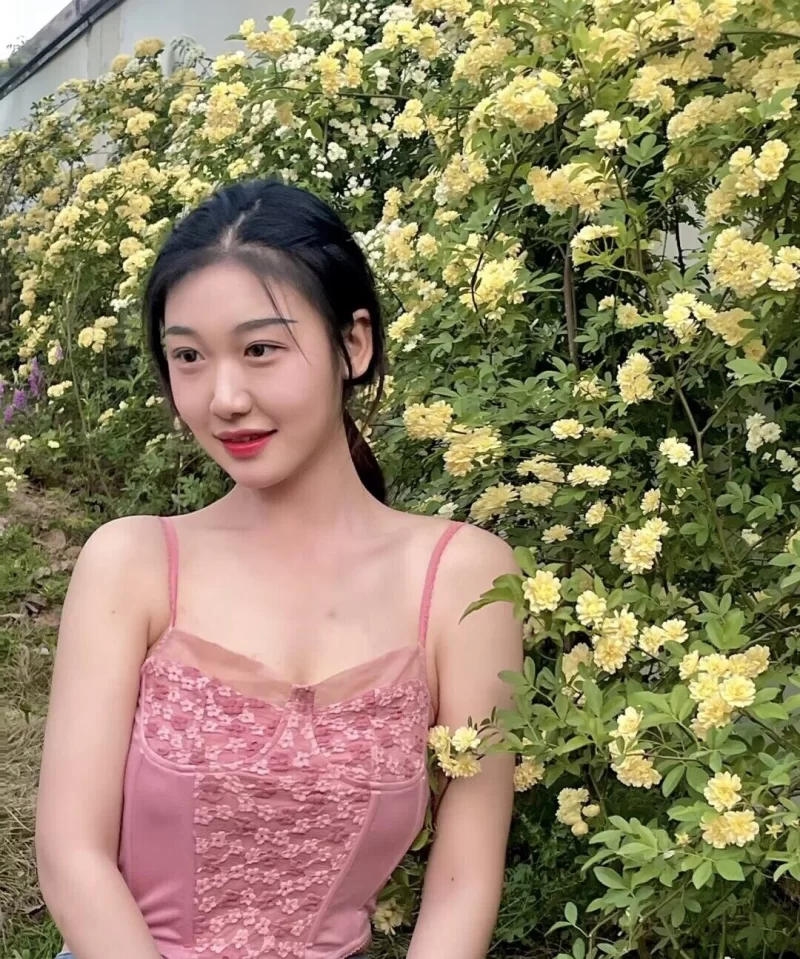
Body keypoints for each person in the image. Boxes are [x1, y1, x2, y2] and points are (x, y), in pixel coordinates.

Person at [35, 178, 522, 959]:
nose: (224, 397)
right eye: (188, 357)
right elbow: (72, 855)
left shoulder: (463, 581)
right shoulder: (132, 564)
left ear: (353, 344)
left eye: (260, 349)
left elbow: (463, 881)